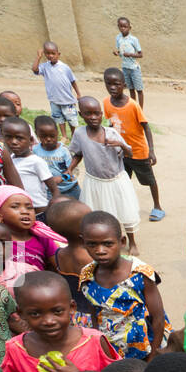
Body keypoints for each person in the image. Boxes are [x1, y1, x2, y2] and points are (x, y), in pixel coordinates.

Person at [78, 211, 169, 360]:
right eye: (92, 244)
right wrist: (99, 345)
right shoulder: (87, 275)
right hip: (111, 349)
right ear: (84, 243)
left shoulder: (140, 274)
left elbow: (158, 318)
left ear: (122, 242)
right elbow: (94, 314)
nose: (100, 251)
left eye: (108, 244)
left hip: (145, 348)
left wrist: (153, 356)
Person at [68, 97, 140, 254]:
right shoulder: (80, 134)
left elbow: (130, 152)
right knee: (98, 214)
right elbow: (78, 153)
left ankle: (132, 242)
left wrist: (120, 144)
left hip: (116, 181)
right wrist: (70, 168)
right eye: (88, 114)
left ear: (102, 114)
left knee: (125, 211)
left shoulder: (111, 133)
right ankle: (105, 241)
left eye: (96, 113)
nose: (93, 117)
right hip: (94, 182)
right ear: (81, 114)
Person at [102, 67, 163, 222]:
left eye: (116, 84)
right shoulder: (106, 103)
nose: (112, 87)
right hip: (121, 152)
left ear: (124, 85)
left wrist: (151, 150)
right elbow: (110, 125)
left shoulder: (133, 105)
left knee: (149, 180)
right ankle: (127, 206)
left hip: (138, 151)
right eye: (108, 84)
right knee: (123, 180)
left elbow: (146, 127)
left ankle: (157, 206)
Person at [31, 42, 81, 141]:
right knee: (59, 118)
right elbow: (34, 69)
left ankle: (74, 135)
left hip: (67, 100)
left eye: (53, 53)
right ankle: (64, 136)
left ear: (58, 54)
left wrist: (78, 93)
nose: (50, 56)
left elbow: (73, 81)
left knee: (71, 119)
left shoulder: (64, 67)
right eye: (47, 53)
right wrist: (38, 57)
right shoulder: (45, 67)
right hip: (54, 99)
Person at [114, 16, 144, 106]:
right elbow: (120, 51)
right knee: (130, 89)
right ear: (118, 27)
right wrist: (116, 52)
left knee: (139, 89)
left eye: (125, 26)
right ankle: (133, 107)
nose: (123, 28)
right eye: (121, 26)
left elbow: (140, 54)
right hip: (125, 67)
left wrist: (130, 54)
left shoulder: (133, 39)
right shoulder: (118, 38)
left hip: (134, 68)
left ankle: (140, 110)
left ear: (129, 28)